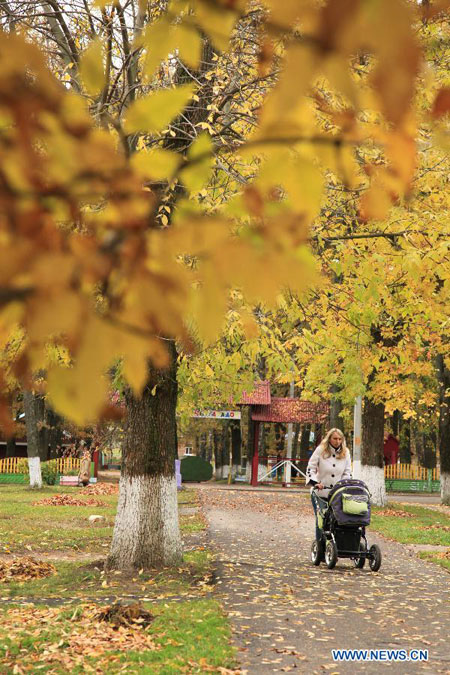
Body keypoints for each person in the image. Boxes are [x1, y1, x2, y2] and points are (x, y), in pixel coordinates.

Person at [306, 428, 352, 542]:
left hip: (337, 494)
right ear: (329, 439)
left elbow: (347, 472)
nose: (337, 441)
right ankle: (320, 548)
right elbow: (310, 468)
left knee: (337, 521)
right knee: (321, 521)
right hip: (320, 492)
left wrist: (343, 485)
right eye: (335, 438)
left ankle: (334, 545)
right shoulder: (321, 450)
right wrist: (315, 483)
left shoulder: (345, 452)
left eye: (340, 439)